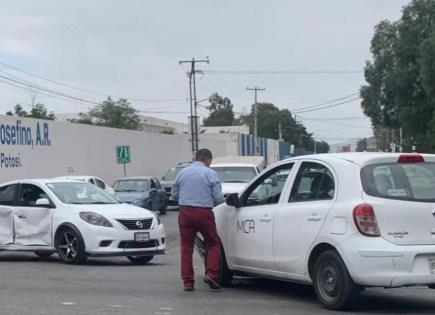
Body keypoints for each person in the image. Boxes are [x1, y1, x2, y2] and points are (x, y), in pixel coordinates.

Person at [172, 148, 225, 291]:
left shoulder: (182, 172)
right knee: (213, 242)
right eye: (210, 162)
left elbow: (174, 194)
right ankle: (211, 274)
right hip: (203, 212)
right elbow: (218, 198)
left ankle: (188, 282)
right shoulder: (210, 174)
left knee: (186, 247)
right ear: (207, 160)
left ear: (196, 158)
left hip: (185, 211)